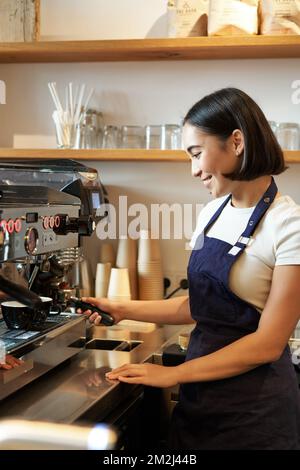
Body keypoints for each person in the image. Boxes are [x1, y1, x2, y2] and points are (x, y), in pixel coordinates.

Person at [80, 88, 300, 450]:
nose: (194, 170)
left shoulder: (287, 225)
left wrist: (172, 374)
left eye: (197, 154)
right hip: (199, 404)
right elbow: (199, 305)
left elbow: (267, 344)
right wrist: (121, 309)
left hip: (257, 416)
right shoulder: (211, 214)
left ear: (237, 142)